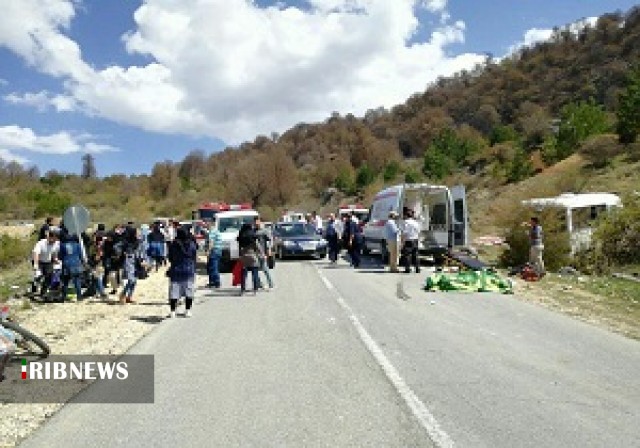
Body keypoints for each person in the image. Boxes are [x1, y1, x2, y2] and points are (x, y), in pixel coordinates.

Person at [167, 227, 197, 318]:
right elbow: (194, 256)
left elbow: (170, 258)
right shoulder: (191, 244)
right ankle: (187, 310)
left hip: (176, 270)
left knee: (174, 292)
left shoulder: (173, 244)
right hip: (188, 270)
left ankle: (173, 311)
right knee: (189, 291)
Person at [32, 229, 60, 298]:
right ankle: (35, 285)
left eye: (56, 239)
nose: (54, 241)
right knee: (39, 276)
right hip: (39, 261)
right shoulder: (41, 243)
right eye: (53, 239)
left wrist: (55, 259)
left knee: (49, 277)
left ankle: (43, 292)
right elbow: (36, 253)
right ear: (49, 237)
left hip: (48, 261)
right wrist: (36, 265)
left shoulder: (56, 243)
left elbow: (54, 252)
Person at [59, 233, 85, 301]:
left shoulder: (62, 245)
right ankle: (79, 297)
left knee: (65, 281)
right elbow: (81, 255)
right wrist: (83, 263)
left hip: (67, 264)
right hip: (77, 264)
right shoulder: (77, 245)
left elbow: (60, 256)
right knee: (77, 281)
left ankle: (63, 297)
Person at [237, 223, 260, 295]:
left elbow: (239, 247)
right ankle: (255, 289)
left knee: (244, 273)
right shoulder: (253, 236)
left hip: (243, 255)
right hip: (252, 254)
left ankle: (243, 290)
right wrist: (260, 253)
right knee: (255, 272)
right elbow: (257, 246)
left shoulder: (241, 236)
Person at [120, 226, 139, 304]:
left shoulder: (136, 241)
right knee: (131, 279)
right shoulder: (125, 241)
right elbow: (117, 247)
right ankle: (123, 294)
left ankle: (129, 297)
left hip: (135, 260)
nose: (137, 234)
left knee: (134, 281)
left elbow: (139, 251)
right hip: (128, 260)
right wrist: (123, 253)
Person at [254, 217, 274, 291]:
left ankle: (271, 284)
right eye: (255, 222)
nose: (256, 223)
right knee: (255, 269)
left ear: (260, 222)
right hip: (255, 253)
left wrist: (269, 249)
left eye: (257, 222)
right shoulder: (254, 231)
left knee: (265, 269)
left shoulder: (265, 231)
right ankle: (259, 284)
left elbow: (270, 240)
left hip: (262, 252)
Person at [401, 209, 421, 274]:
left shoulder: (405, 222)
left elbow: (404, 232)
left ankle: (408, 269)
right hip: (415, 240)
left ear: (406, 215)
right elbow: (418, 231)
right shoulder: (416, 222)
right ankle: (417, 268)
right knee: (415, 255)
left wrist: (402, 241)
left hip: (408, 240)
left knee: (407, 255)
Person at [207, 216, 223, 288]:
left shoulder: (212, 231)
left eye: (207, 222)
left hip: (214, 251)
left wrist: (208, 251)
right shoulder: (216, 230)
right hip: (218, 251)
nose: (206, 224)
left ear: (211, 223)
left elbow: (211, 243)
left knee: (213, 267)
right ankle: (212, 282)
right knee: (213, 266)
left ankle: (216, 282)